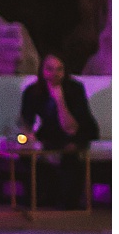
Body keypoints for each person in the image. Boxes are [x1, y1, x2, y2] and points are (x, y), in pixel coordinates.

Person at [18, 54, 100, 210]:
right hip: (51, 132)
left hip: (79, 131)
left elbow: (71, 129)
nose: (54, 74)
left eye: (59, 69)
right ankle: (39, 197)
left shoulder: (75, 89)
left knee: (70, 152)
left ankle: (69, 200)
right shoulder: (32, 91)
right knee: (26, 154)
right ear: (42, 71)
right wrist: (26, 137)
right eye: (49, 69)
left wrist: (60, 100)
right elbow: (25, 123)